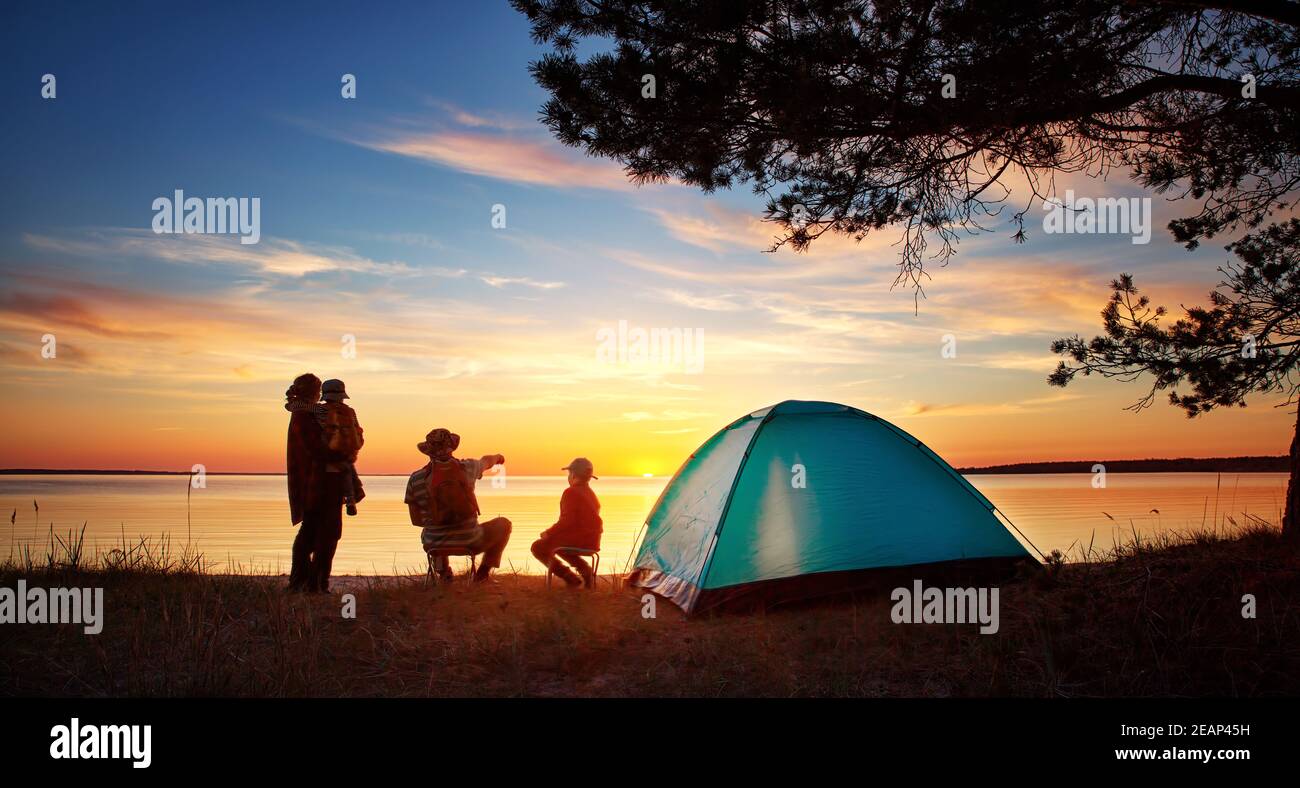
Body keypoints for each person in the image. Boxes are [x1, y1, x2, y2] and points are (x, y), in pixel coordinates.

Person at [405, 428, 511, 583]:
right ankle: (482, 575)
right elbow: (486, 461)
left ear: (428, 451)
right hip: (470, 541)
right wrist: (498, 457)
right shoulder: (468, 468)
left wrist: (440, 520)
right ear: (452, 448)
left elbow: (416, 521)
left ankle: (443, 573)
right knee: (504, 524)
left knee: (431, 531)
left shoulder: (415, 479)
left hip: (434, 544)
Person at [284, 373, 349, 593]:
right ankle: (313, 584)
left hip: (317, 483)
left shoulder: (309, 413)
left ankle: (307, 582)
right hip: (320, 483)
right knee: (325, 533)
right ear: (314, 391)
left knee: (314, 532)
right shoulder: (305, 416)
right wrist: (341, 455)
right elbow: (317, 449)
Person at [531, 457, 603, 588]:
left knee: (538, 546)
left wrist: (548, 532)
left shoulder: (571, 492)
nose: (568, 476)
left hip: (579, 540)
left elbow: (567, 520)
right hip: (592, 541)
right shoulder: (591, 494)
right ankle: (583, 569)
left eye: (569, 473)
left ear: (574, 474)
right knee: (558, 541)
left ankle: (570, 577)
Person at [315, 379, 365, 516]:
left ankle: (350, 500)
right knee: (346, 469)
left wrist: (292, 400)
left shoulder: (319, 409)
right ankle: (351, 499)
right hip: (346, 456)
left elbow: (294, 408)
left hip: (327, 460)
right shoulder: (350, 412)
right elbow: (358, 434)